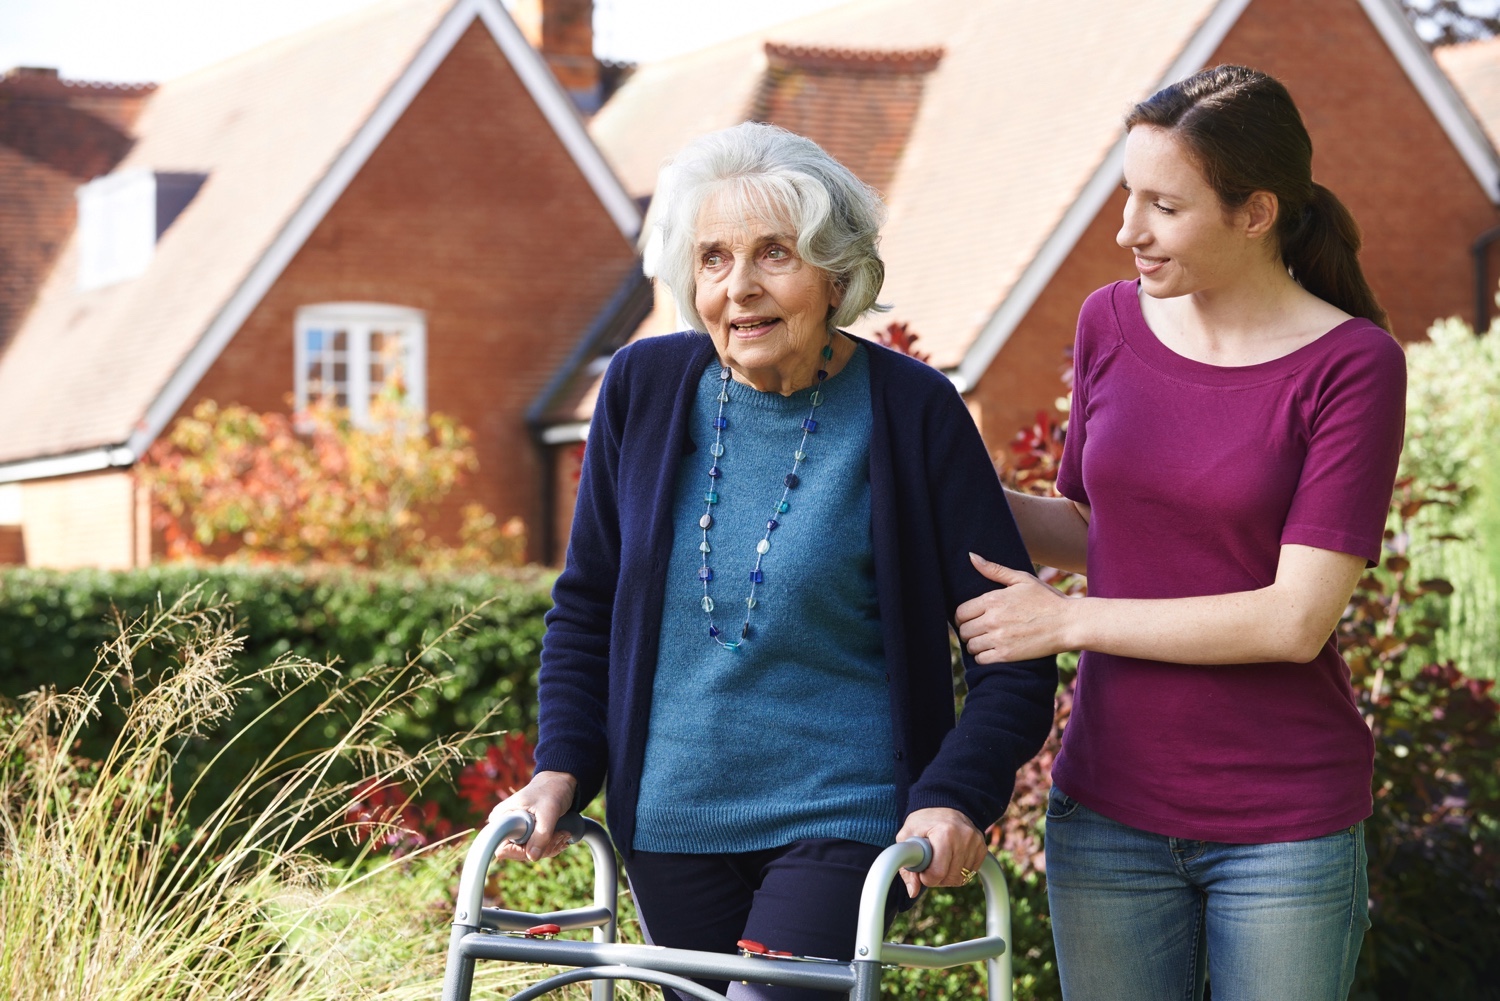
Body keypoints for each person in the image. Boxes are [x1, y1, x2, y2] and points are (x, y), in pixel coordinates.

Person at [489, 121, 1057, 1000]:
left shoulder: (913, 412)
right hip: (670, 823)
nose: (740, 288)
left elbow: (1013, 648)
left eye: (775, 254)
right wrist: (562, 764)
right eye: (714, 257)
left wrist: (954, 794)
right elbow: (587, 608)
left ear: (834, 272)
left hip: (846, 816)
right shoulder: (641, 390)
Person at [955, 66, 1406, 1001]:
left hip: (1282, 828)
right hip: (1108, 809)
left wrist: (1069, 623)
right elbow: (1092, 527)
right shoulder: (1108, 321)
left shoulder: (1351, 366)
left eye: (1164, 204)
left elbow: (1294, 619)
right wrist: (936, 478)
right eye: (1129, 194)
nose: (1128, 229)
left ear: (1255, 213)